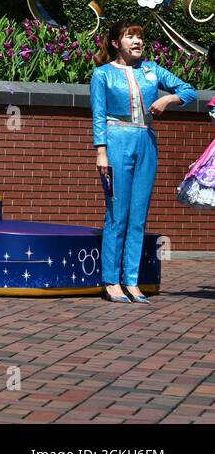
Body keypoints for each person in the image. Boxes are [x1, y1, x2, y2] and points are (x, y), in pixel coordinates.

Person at [90, 20, 195, 302]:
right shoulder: (102, 75)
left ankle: (132, 281)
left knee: (138, 216)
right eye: (129, 37)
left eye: (139, 38)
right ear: (116, 43)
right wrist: (101, 153)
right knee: (117, 214)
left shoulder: (152, 70)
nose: (136, 42)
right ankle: (111, 280)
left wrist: (169, 99)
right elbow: (98, 115)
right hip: (115, 142)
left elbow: (190, 90)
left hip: (146, 142)